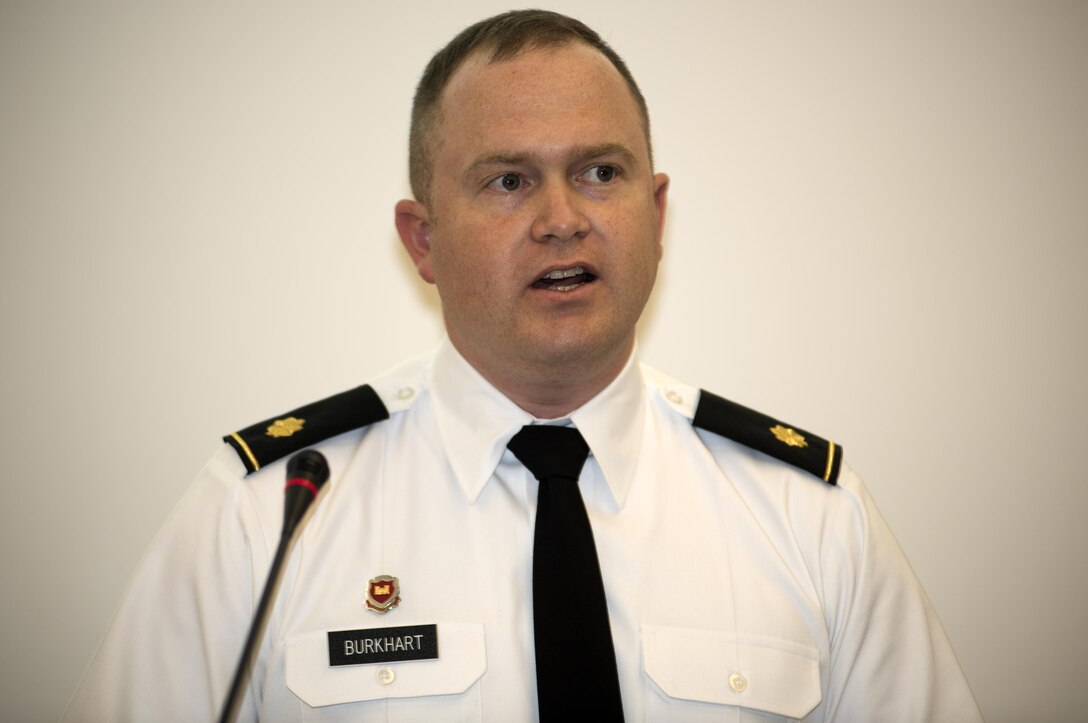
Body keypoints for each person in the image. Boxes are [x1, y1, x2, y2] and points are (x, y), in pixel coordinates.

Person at [64, 10, 982, 722]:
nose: (561, 219)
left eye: (600, 173)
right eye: (508, 180)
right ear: (422, 240)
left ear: (657, 216)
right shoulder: (266, 512)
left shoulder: (808, 514)